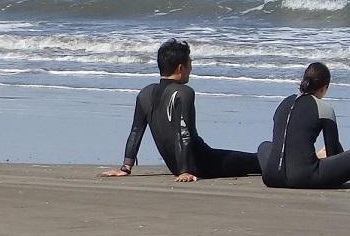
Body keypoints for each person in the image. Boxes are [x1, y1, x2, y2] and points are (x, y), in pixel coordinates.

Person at [100, 39, 262, 182]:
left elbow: (136, 131)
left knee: (256, 160)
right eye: (190, 63)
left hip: (176, 166)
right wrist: (185, 171)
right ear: (180, 68)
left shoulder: (145, 94)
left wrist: (125, 168)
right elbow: (184, 133)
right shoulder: (184, 92)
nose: (191, 68)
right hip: (202, 163)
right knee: (259, 160)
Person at [257, 62, 350, 189]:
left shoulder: (283, 104)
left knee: (264, 146)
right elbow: (333, 152)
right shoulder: (324, 109)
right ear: (324, 87)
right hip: (304, 178)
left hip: (271, 177)